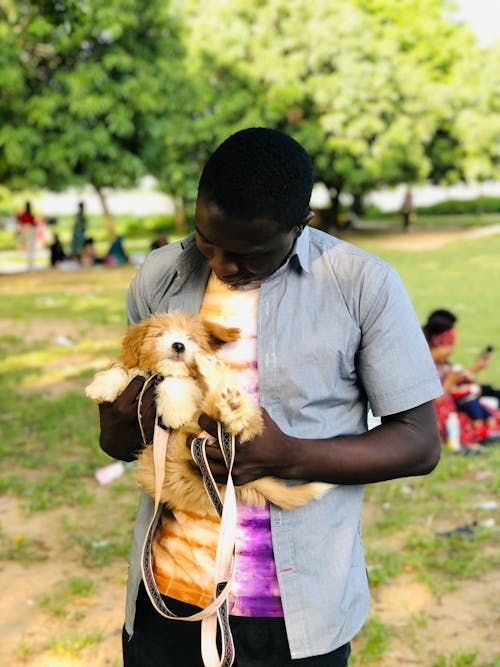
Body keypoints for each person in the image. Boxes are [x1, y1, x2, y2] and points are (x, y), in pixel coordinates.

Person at [97, 128, 442, 667]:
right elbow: (127, 432)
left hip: (295, 623)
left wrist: (287, 455)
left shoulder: (361, 284)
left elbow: (419, 444)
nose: (221, 265)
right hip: (167, 606)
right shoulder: (161, 275)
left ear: (300, 226)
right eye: (207, 240)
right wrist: (118, 428)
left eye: (248, 252)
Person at [422, 309, 499, 443]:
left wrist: (476, 367)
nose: (450, 350)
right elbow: (435, 404)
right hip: (439, 416)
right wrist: (451, 380)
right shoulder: (423, 364)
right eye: (448, 346)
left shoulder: (439, 362)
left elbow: (455, 376)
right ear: (438, 342)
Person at [16, 201, 38, 271]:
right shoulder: (28, 215)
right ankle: (30, 266)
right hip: (30, 231)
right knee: (31, 248)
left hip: (26, 231)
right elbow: (33, 223)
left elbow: (21, 222)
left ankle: (30, 265)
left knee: (29, 248)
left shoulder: (24, 215)